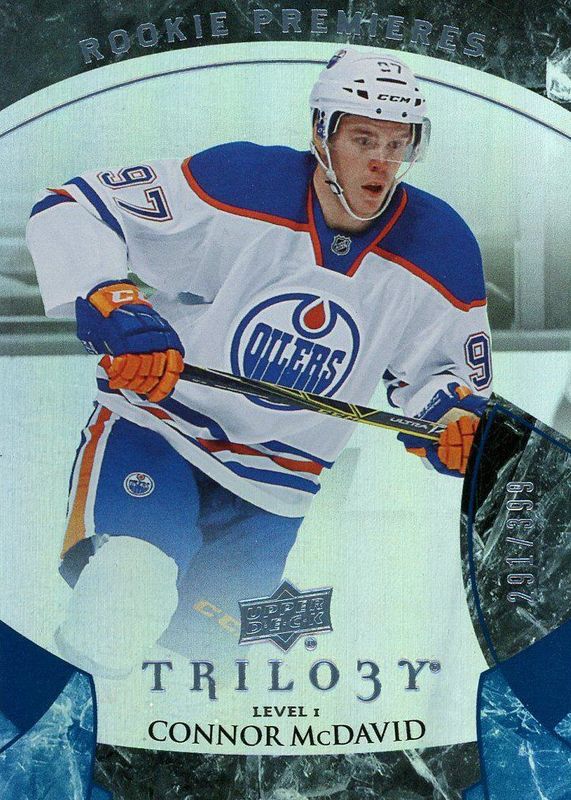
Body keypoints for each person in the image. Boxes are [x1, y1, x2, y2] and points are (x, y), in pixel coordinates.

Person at [26, 49, 492, 677]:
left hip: (277, 489)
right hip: (162, 431)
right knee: (126, 593)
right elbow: (75, 206)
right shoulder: (240, 183)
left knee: (209, 666)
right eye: (363, 139)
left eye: (397, 142)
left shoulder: (443, 247)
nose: (382, 160)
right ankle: (54, 725)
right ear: (322, 133)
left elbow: (445, 379)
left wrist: (452, 420)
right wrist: (112, 298)